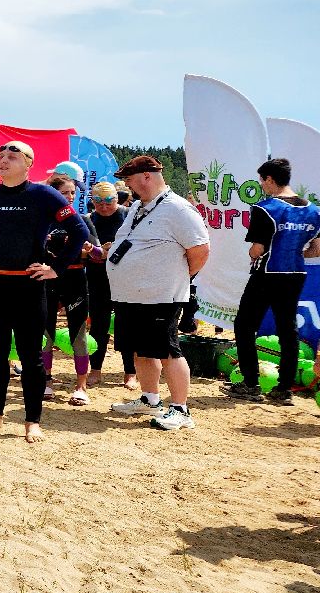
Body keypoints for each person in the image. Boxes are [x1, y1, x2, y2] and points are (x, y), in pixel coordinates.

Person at [0, 140, 89, 443]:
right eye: (1, 155)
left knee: (31, 357)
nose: (3, 160)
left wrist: (56, 267)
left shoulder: (44, 194)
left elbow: (79, 231)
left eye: (12, 156)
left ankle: (32, 420)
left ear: (29, 163)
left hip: (29, 286)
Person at [104, 155, 210, 430]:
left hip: (161, 296)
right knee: (141, 349)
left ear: (147, 176)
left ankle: (181, 409)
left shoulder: (178, 209)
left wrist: (178, 278)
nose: (126, 185)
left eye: (129, 179)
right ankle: (150, 398)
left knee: (168, 350)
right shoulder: (139, 206)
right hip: (131, 294)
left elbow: (200, 251)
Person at [222, 157, 320, 405]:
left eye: (262, 181)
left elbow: (257, 249)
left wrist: (254, 254)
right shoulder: (313, 210)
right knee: (288, 329)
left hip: (267, 273)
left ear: (269, 179)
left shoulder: (266, 208)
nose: (262, 186)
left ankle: (251, 383)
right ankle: (284, 388)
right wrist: (296, 252)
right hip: (295, 273)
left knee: (245, 325)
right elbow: (316, 249)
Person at [40, 174, 99, 406]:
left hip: (75, 278)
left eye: (73, 193)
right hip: (47, 280)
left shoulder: (82, 219)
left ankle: (81, 386)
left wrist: (89, 248)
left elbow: (97, 255)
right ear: (54, 194)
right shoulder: (42, 219)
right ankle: (46, 381)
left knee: (78, 333)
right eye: (65, 193)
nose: (70, 197)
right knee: (46, 333)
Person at [83, 181, 136, 389]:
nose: (103, 206)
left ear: (117, 199)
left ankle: (130, 372)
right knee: (98, 326)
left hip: (126, 279)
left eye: (108, 201)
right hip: (98, 278)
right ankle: (95, 370)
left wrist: (114, 249)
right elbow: (85, 250)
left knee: (127, 326)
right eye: (98, 201)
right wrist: (93, 252)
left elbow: (139, 244)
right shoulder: (89, 219)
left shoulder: (128, 215)